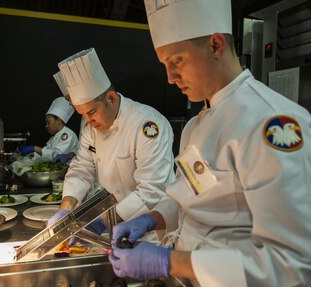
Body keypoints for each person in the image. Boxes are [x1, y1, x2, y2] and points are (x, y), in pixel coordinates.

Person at [109, 0, 311, 286]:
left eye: (176, 60)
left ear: (215, 45)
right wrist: (153, 219)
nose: (169, 78)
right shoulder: (195, 126)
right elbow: (195, 198)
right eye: (165, 65)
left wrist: (167, 262)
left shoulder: (272, 124)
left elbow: (292, 264)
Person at [47, 48, 176, 239]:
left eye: (91, 112)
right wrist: (66, 210)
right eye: (82, 114)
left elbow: (152, 189)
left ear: (111, 98)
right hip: (114, 220)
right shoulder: (90, 126)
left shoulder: (147, 125)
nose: (88, 121)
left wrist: (101, 223)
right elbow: (82, 168)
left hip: (149, 227)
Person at [19, 97, 79, 162]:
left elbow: (58, 155)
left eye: (48, 122)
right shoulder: (53, 138)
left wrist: (35, 148)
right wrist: (33, 155)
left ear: (58, 121)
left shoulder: (68, 135)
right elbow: (47, 155)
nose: (46, 126)